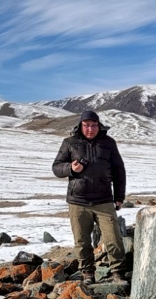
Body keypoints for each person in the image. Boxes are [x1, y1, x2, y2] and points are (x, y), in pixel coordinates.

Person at [52, 110, 127, 285]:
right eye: (86, 125)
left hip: (104, 200)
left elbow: (119, 171)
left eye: (94, 125)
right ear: (80, 126)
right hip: (78, 201)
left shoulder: (108, 143)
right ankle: (87, 273)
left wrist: (119, 196)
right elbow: (56, 167)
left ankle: (118, 272)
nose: (90, 129)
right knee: (82, 241)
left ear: (99, 126)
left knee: (113, 238)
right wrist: (70, 168)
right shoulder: (69, 143)